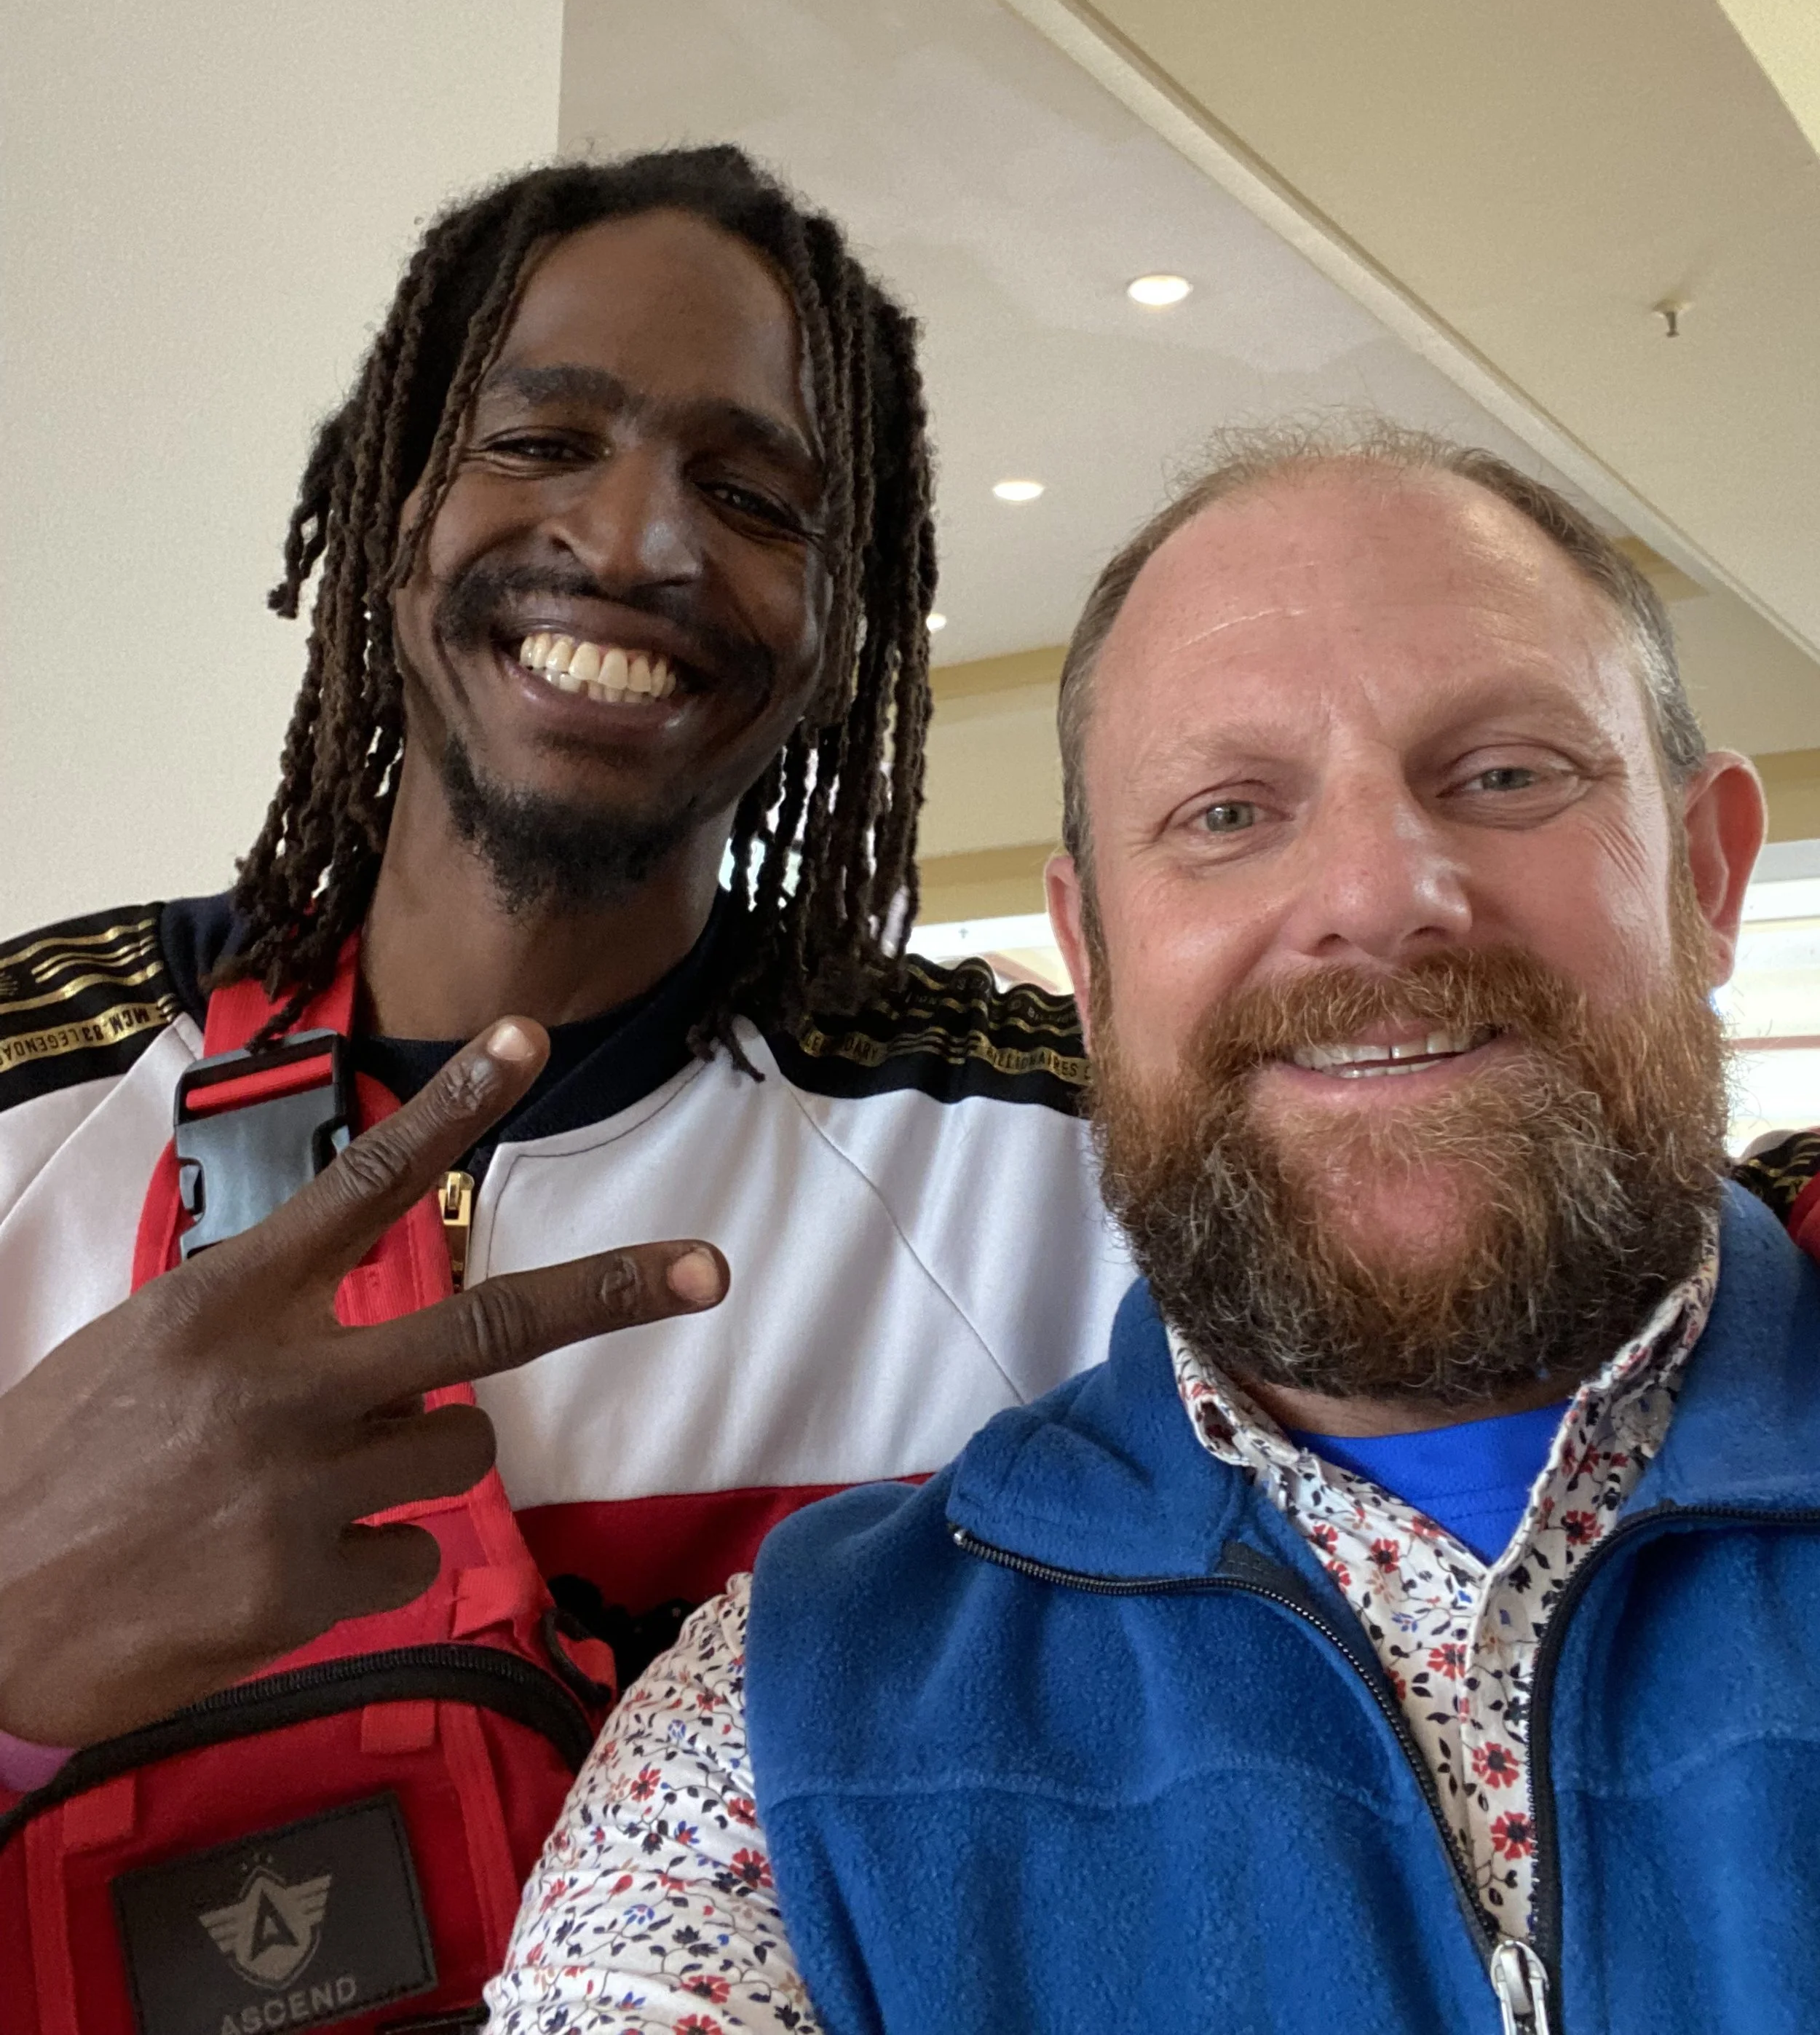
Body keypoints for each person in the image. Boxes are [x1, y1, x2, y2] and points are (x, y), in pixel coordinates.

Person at [488, 424, 1820, 2035]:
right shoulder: (778, 1731)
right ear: (1092, 957)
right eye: (1226, 812)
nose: (1377, 891)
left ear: (1703, 872)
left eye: (1502, 775)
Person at [0, 149, 1125, 2020]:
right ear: (386, 505)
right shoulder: (33, 1094)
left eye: (751, 492)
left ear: (844, 626)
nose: (633, 541)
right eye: (537, 442)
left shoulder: (1048, 1162)